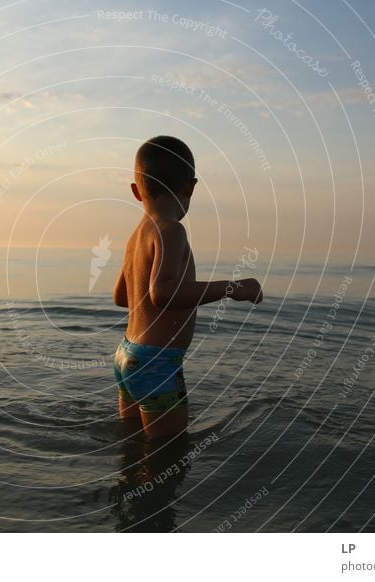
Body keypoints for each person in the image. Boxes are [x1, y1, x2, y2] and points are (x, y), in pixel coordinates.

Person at [113, 136, 263, 438]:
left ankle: (129, 483)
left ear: (135, 192)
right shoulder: (171, 231)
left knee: (131, 444)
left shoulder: (135, 237)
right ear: (190, 187)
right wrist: (233, 289)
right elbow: (162, 293)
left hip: (126, 356)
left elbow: (120, 297)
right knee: (167, 454)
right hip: (156, 364)